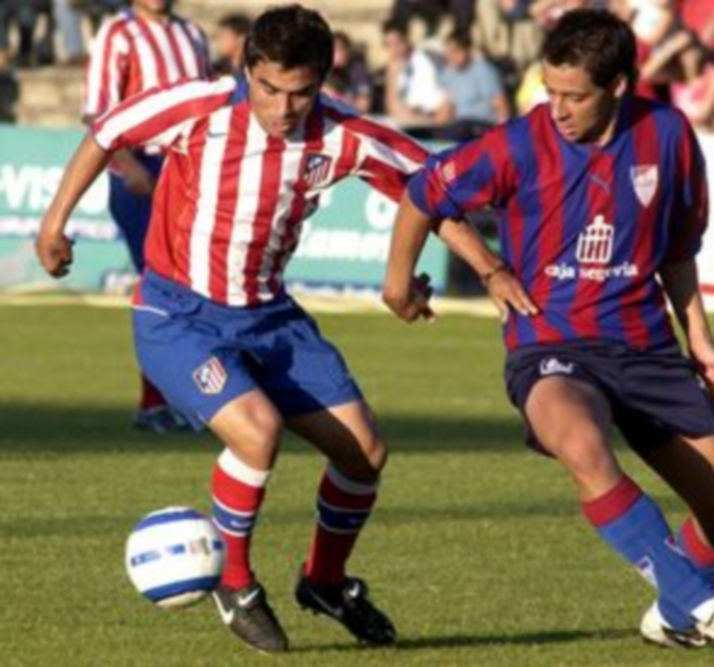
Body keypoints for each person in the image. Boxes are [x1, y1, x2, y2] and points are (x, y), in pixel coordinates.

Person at [36, 3, 528, 655]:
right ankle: (234, 582)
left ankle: (324, 581)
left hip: (272, 316)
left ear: (322, 81)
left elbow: (430, 190)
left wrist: (491, 270)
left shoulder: (344, 135)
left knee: (364, 451)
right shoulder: (200, 105)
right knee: (258, 431)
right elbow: (106, 132)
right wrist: (53, 224)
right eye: (269, 88)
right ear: (249, 72)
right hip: (176, 313)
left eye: (300, 93)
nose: (283, 107)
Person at [383, 8, 714, 656]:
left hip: (646, 345)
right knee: (582, 442)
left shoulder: (668, 134)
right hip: (551, 342)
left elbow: (677, 247)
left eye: (574, 96)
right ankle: (705, 607)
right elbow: (425, 192)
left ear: (620, 85)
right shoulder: (518, 141)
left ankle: (676, 610)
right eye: (549, 90)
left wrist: (700, 339)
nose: (557, 109)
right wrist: (428, 277)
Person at [83, 0, 212, 433]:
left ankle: (192, 397)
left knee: (197, 286)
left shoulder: (192, 34)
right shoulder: (118, 33)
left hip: (188, 169)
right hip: (141, 166)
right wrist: (129, 166)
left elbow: (212, 104)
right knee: (161, 284)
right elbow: (97, 110)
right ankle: (155, 401)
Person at [439, 29, 511, 128]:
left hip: (481, 124)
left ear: (467, 50)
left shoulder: (483, 70)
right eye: (448, 52)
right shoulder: (448, 74)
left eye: (455, 51)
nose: (451, 56)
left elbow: (500, 105)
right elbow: (447, 106)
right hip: (459, 124)